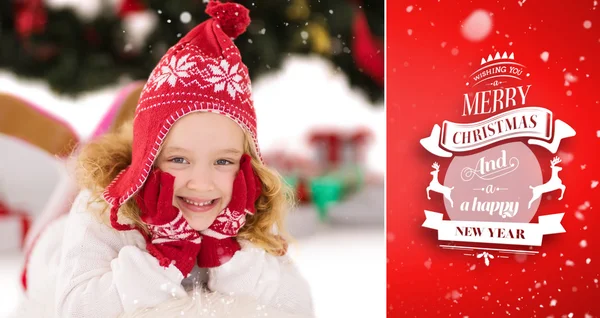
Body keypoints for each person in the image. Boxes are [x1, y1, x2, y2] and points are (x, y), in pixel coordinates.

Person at [17, 1, 314, 317]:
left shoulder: (242, 210)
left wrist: (229, 253)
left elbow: (299, 307)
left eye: (223, 162)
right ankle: (90, 154)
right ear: (148, 158)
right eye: (179, 160)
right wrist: (164, 256)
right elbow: (75, 309)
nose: (201, 183)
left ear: (245, 164)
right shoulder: (104, 210)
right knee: (79, 183)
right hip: (52, 250)